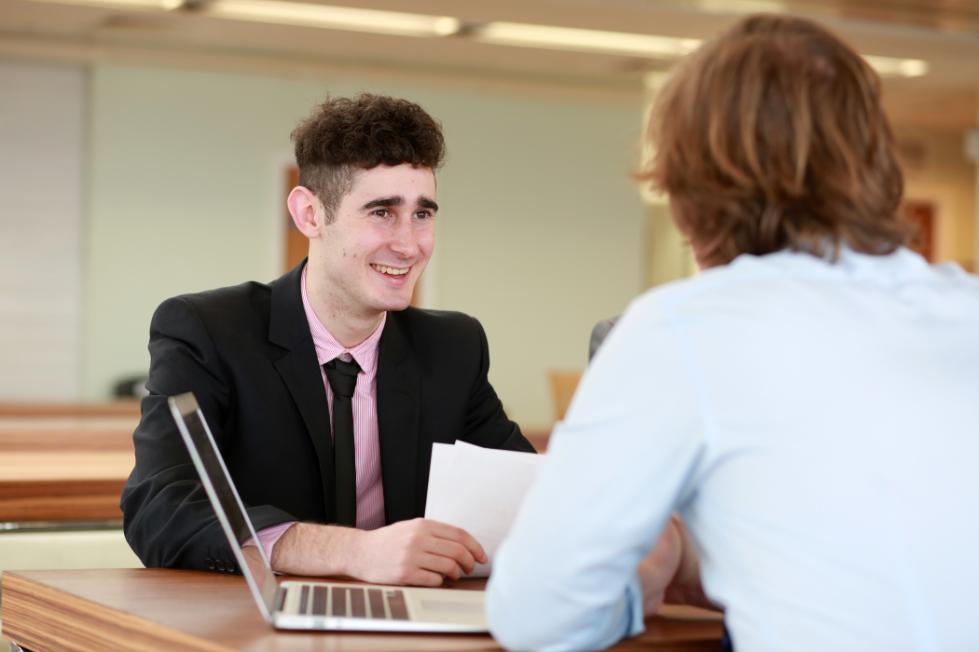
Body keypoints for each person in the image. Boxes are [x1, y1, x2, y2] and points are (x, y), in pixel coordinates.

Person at [487, 14, 979, 651]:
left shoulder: (685, 327)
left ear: (691, 184)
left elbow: (537, 616)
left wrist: (653, 573)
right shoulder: (964, 304)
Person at [122, 93, 534, 587]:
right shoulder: (208, 330)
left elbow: (524, 497)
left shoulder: (453, 347)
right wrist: (354, 552)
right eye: (382, 212)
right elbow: (160, 508)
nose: (409, 244)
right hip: (255, 630)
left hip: (414, 627)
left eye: (423, 214)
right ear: (310, 215)